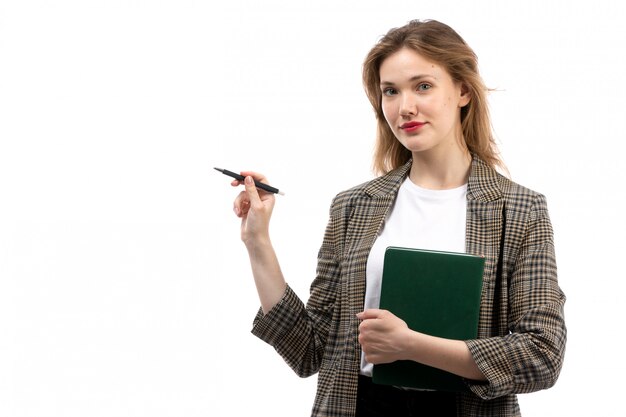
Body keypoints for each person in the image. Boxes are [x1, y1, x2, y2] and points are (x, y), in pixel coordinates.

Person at [229, 19, 566, 417]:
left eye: (422, 86)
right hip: (358, 406)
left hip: (463, 409)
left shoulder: (519, 209)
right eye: (391, 91)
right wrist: (258, 242)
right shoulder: (354, 206)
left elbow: (543, 354)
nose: (405, 106)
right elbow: (309, 350)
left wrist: (412, 345)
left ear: (462, 90)